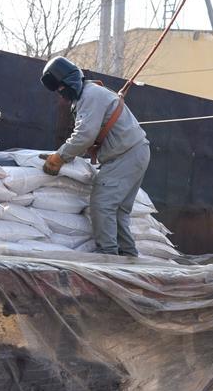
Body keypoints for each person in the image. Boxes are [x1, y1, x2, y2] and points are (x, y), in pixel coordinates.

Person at [40, 56, 150, 257]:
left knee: (102, 205)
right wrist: (70, 154)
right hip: (134, 152)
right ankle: (128, 258)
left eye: (60, 88)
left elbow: (85, 135)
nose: (61, 94)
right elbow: (89, 135)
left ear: (68, 82)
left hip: (125, 155)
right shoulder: (91, 93)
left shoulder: (89, 96)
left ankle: (109, 258)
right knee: (118, 212)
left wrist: (59, 157)